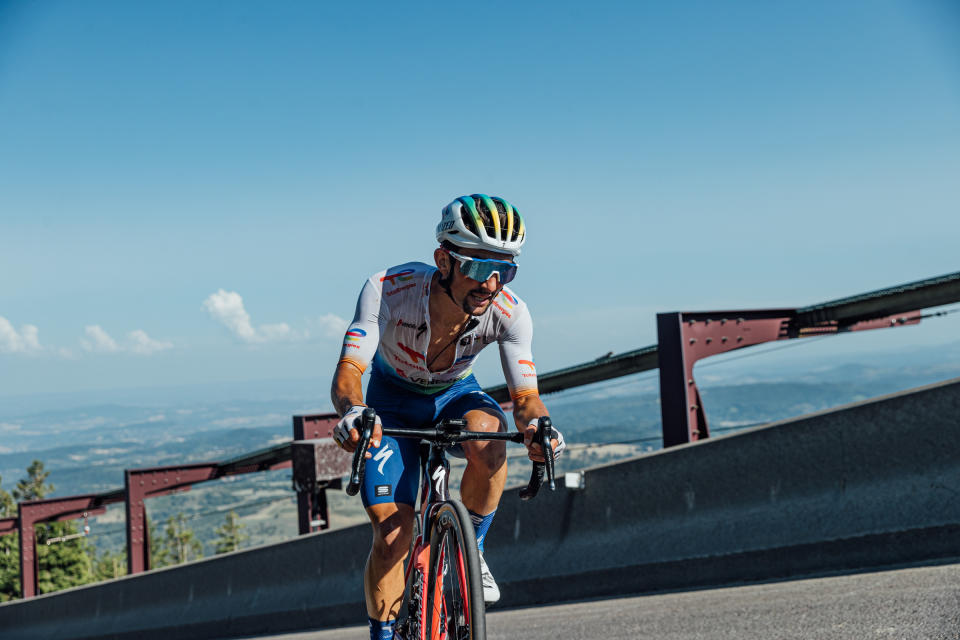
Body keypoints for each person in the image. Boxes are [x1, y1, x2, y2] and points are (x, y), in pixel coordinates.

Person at [330, 194, 564, 640]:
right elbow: (349, 372)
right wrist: (354, 412)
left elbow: (526, 398)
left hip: (453, 395)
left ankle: (471, 549)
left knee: (490, 437)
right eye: (478, 267)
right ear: (444, 260)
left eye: (505, 270)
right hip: (389, 400)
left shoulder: (511, 313)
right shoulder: (389, 288)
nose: (491, 283)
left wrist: (537, 428)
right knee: (393, 534)